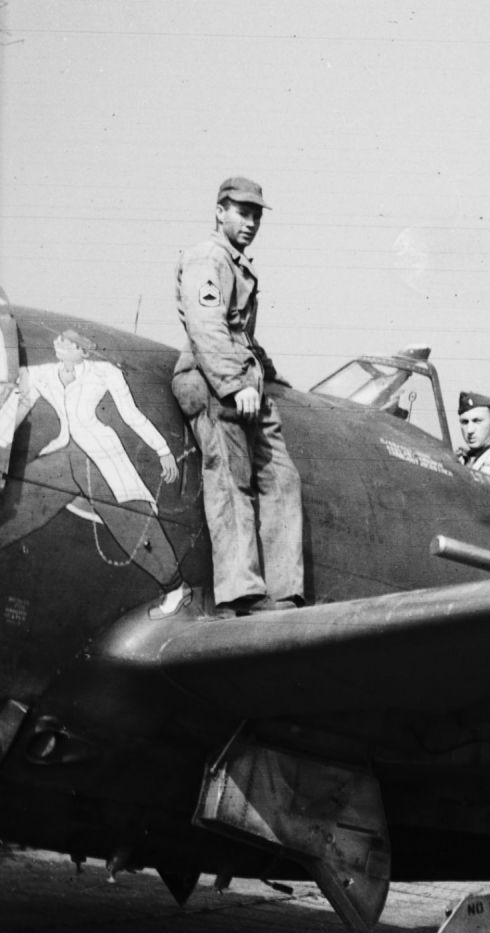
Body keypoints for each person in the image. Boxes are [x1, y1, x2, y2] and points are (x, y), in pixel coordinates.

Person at [172, 176, 304, 614]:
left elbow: (241, 334)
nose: (250, 223)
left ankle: (284, 592)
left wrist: (269, 374)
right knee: (231, 479)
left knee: (282, 477)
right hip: (213, 381)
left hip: (244, 381)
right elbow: (207, 326)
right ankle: (241, 594)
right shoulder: (208, 257)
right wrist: (234, 384)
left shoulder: (235, 261)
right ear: (219, 211)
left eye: (256, 216)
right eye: (243, 213)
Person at [0, 330, 190, 618]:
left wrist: (162, 450)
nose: (60, 345)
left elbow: (130, 414)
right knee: (23, 497)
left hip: (101, 453)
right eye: (60, 341)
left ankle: (175, 588)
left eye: (69, 343)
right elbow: (20, 404)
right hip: (66, 451)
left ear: (83, 351)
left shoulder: (105, 372)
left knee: (130, 517)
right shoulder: (43, 374)